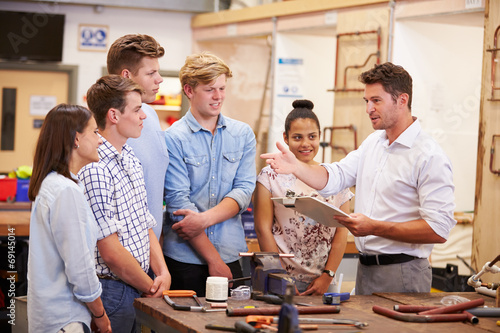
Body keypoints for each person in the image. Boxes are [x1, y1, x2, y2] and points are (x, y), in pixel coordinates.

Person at [261, 62, 456, 295]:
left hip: (404, 272)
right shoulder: (374, 144)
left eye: (376, 100)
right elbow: (335, 177)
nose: (368, 109)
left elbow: (438, 229)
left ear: (402, 100)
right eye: (367, 101)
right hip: (366, 271)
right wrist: (296, 167)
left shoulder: (428, 156)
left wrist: (375, 227)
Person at [79, 75, 171, 332]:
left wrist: (162, 272)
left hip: (138, 285)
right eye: (137, 109)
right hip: (112, 291)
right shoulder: (95, 167)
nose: (144, 116)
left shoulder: (129, 155)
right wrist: (152, 287)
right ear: (114, 116)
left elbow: (144, 221)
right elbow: (110, 251)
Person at [162, 52, 256, 296]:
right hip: (184, 260)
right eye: (210, 89)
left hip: (231, 254)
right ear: (189, 91)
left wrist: (204, 219)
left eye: (222, 88)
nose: (218, 97)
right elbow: (178, 205)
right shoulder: (173, 139)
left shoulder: (243, 134)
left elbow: (244, 191)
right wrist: (213, 260)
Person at [254, 99, 352, 295]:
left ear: (320, 137)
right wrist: (280, 275)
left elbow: (342, 232)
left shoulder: (334, 177)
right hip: (279, 279)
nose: (306, 144)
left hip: (322, 282)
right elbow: (262, 229)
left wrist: (327, 275)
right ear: (286, 138)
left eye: (312, 136)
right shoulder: (270, 176)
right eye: (297, 137)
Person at [27, 104, 111, 333]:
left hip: (51, 316)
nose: (100, 140)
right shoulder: (66, 191)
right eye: (94, 132)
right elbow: (80, 269)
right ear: (76, 139)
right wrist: (100, 314)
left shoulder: (52, 184)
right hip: (65, 319)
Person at [107, 34, 168, 241]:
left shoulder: (149, 114)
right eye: (151, 73)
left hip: (150, 248)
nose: (159, 79)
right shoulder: (106, 124)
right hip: (121, 254)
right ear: (126, 75)